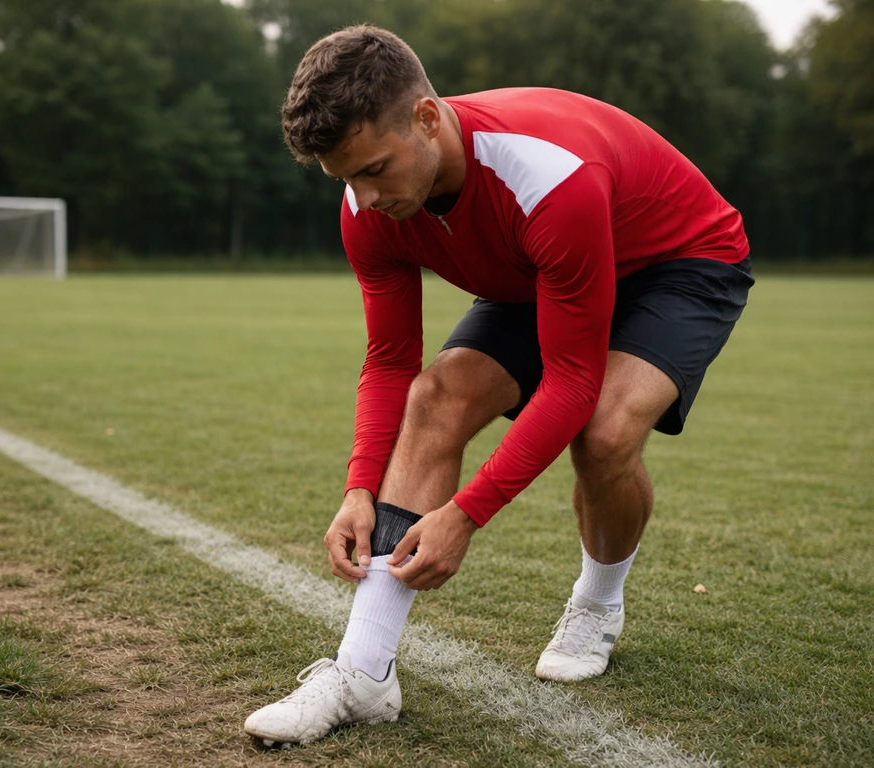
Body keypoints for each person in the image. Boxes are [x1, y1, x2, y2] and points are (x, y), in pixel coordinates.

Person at [244, 24, 753, 747]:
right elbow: (392, 361)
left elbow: (573, 380)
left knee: (604, 432)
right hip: (537, 267)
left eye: (377, 168)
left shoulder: (548, 176)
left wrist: (466, 513)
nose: (363, 195)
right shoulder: (367, 208)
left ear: (427, 117)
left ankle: (597, 604)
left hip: (677, 259)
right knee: (435, 396)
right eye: (345, 178)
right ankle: (362, 675)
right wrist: (360, 486)